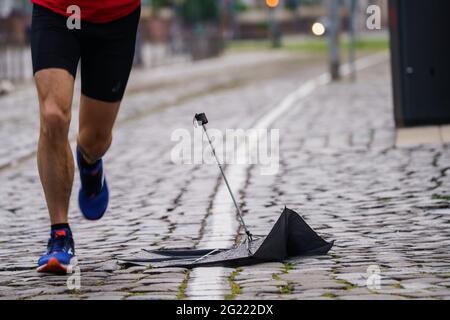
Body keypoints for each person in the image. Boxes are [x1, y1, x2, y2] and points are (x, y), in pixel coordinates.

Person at [31, 0, 141, 274]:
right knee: (53, 115)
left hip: (116, 16)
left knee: (96, 139)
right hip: (56, 10)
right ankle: (59, 235)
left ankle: (89, 162)